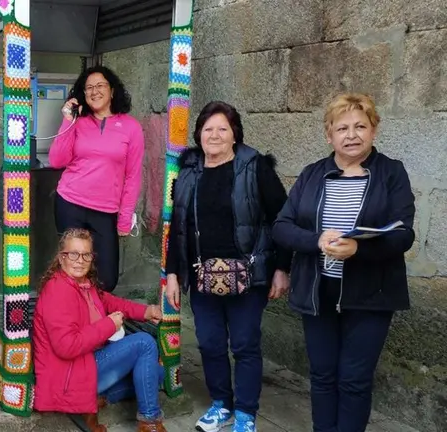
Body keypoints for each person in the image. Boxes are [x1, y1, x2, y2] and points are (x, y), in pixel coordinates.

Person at [272, 93, 415, 432]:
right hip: (317, 291)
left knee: (354, 380)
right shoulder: (312, 174)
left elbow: (403, 234)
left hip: (370, 294)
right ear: (329, 135)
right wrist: (315, 240)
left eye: (360, 126)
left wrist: (359, 250)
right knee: (322, 376)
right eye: (342, 128)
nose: (351, 135)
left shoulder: (391, 173)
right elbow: (282, 226)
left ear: (374, 130)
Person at [164, 101, 292, 432]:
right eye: (208, 129)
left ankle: (246, 412)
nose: (215, 135)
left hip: (248, 277)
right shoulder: (190, 171)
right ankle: (222, 404)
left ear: (235, 134)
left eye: (223, 128)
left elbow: (283, 217)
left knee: (245, 344)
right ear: (199, 134)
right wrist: (174, 274)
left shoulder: (255, 167)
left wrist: (282, 267)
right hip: (203, 275)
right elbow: (177, 226)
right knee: (209, 342)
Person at [33, 228, 166, 432]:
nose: (80, 260)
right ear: (61, 258)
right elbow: (66, 347)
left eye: (86, 255)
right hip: (68, 376)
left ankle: (91, 401)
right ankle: (149, 421)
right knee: (144, 343)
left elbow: (109, 301)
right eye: (73, 254)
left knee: (156, 373)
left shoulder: (84, 284)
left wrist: (146, 311)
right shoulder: (58, 290)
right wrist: (108, 325)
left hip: (85, 364)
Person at [49, 65, 145, 292]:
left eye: (100, 85)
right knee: (72, 270)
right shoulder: (77, 122)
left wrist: (124, 219)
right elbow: (56, 160)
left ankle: (94, 318)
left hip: (105, 211)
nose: (94, 91)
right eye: (89, 87)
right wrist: (67, 120)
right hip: (70, 203)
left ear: (112, 91)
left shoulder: (131, 127)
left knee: (106, 278)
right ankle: (73, 320)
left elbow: (133, 176)